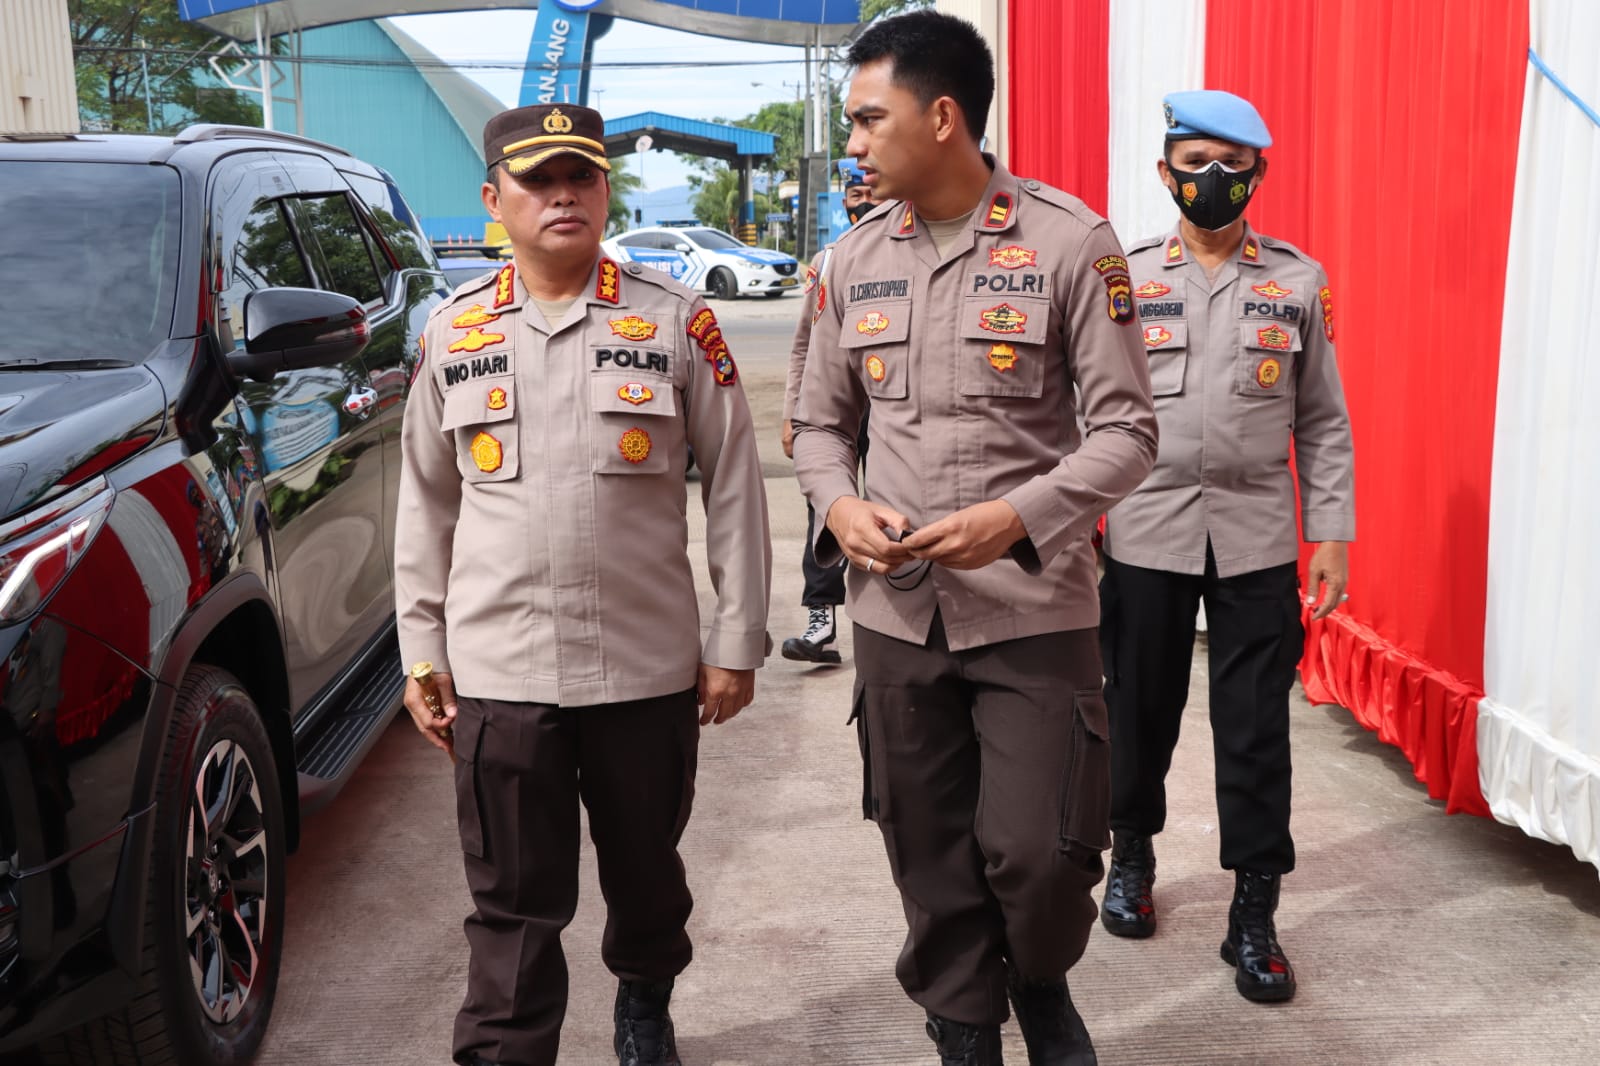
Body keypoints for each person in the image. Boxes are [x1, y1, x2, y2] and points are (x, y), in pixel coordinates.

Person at [791, 12, 1159, 1065]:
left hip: (1035, 605)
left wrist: (1020, 515)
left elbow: (1130, 430)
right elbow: (819, 424)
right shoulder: (849, 260)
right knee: (926, 841)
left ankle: (1037, 974)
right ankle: (962, 1019)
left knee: (1040, 853)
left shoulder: (1068, 243)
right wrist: (836, 503)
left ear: (940, 115)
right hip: (896, 611)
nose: (853, 143)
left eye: (868, 118)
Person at [394, 103, 772, 1066]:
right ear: (494, 200)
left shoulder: (675, 320)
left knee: (647, 877)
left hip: (642, 673)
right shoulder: (453, 333)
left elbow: (733, 486)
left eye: (582, 177)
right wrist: (421, 650)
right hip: (500, 674)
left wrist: (737, 642)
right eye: (537, 179)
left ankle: (644, 1002)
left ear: (605, 190)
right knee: (512, 904)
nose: (563, 194)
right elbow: (425, 506)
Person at [1097, 90, 1355, 1005]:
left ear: (1259, 174)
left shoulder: (1296, 281)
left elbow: (1322, 421)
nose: (1213, 179)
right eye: (1195, 161)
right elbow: (1083, 410)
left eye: (1232, 163)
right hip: (1143, 530)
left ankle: (1254, 913)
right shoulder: (1119, 276)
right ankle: (1131, 857)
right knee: (1139, 713)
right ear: (1164, 171)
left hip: (1257, 538)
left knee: (1256, 733)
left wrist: (1331, 532)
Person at [779, 161, 880, 663]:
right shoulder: (830, 260)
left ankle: (890, 612)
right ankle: (822, 620)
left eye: (868, 191)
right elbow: (804, 344)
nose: (861, 200)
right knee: (826, 509)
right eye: (853, 193)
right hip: (836, 409)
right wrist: (793, 413)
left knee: (888, 504)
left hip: (890, 409)